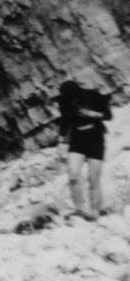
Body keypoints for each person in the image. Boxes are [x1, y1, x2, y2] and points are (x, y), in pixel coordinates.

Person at [59, 68, 114, 220]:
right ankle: (79, 210)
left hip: (95, 136)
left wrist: (92, 114)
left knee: (93, 178)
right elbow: (64, 121)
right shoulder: (64, 100)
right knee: (73, 175)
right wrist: (60, 141)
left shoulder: (93, 95)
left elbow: (109, 115)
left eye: (74, 98)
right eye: (69, 98)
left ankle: (95, 212)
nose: (73, 101)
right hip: (77, 137)